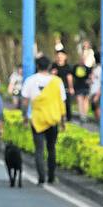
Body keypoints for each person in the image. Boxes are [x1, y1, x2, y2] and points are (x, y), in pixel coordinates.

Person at [21, 56, 66, 185]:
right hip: (53, 119)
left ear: (37, 66)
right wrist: (63, 121)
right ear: (49, 66)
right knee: (51, 148)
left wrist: (24, 117)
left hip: (37, 120)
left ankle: (41, 177)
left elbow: (25, 102)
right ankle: (51, 176)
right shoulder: (57, 81)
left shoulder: (30, 80)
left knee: (39, 150)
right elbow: (62, 102)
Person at [51, 50, 74, 121]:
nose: (60, 57)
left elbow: (69, 78)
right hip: (55, 88)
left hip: (65, 87)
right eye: (58, 56)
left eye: (61, 55)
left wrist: (71, 88)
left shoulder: (68, 66)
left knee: (67, 104)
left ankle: (68, 119)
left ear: (65, 57)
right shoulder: (53, 66)